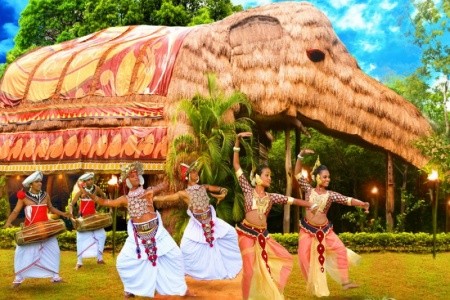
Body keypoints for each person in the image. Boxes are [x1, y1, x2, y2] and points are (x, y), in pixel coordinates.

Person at [233, 132, 318, 300]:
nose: (270, 178)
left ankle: (268, 294)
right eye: (267, 175)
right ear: (257, 177)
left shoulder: (271, 197)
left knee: (285, 259)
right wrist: (237, 142)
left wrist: (310, 204)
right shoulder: (247, 190)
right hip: (246, 233)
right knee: (249, 270)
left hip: (263, 235)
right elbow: (236, 165)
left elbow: (291, 200)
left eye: (270, 176)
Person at [87, 162, 187, 299]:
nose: (135, 176)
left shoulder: (149, 191)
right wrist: (88, 194)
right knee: (122, 262)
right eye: (131, 175)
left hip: (157, 233)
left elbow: (165, 184)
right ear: (127, 180)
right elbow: (105, 202)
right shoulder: (125, 199)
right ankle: (130, 289)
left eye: (136, 174)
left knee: (176, 255)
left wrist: (180, 173)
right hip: (138, 237)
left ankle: (179, 286)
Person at [294, 149, 370, 297]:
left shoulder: (330, 195)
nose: (328, 179)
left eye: (329, 177)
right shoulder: (308, 190)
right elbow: (297, 173)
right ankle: (313, 282)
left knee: (341, 249)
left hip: (325, 231)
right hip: (307, 231)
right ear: (316, 177)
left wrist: (362, 203)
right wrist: (300, 155)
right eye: (325, 177)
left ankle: (345, 281)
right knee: (304, 256)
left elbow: (347, 200)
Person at [153, 161, 242, 280]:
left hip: (211, 221)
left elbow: (222, 189)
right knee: (185, 246)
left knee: (231, 232)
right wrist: (153, 198)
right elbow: (166, 198)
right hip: (197, 224)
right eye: (193, 172)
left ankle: (226, 263)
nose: (196, 174)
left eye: (196, 172)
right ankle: (184, 269)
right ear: (188, 176)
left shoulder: (204, 187)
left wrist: (222, 194)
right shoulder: (183, 193)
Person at [3, 171, 71, 288]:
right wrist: (8, 222)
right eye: (37, 182)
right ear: (31, 184)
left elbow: (51, 208)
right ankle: (18, 278)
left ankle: (55, 276)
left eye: (40, 181)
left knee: (54, 251)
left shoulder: (45, 195)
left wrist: (63, 214)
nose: (40, 183)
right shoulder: (24, 197)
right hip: (31, 231)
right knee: (22, 253)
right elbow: (15, 211)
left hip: (46, 230)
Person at [69, 172, 108, 270]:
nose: (91, 181)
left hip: (93, 217)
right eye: (89, 180)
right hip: (83, 218)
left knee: (102, 235)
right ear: (85, 182)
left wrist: (98, 208)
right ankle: (79, 262)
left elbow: (104, 197)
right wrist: (71, 215)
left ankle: (99, 258)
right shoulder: (80, 191)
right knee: (80, 239)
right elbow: (72, 204)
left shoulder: (96, 188)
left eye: (92, 179)